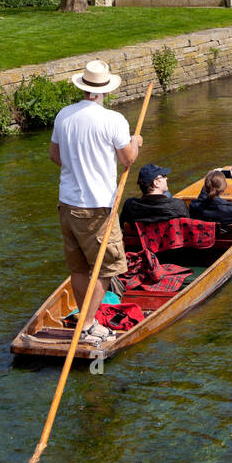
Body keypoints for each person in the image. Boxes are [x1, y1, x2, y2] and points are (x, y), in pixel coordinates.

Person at [49, 59, 143, 345]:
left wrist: (78, 164)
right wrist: (136, 141)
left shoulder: (64, 115)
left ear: (84, 87)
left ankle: (85, 320)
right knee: (108, 267)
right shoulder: (113, 120)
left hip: (66, 205)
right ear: (105, 91)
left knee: (78, 268)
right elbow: (127, 159)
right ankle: (88, 324)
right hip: (97, 207)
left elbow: (55, 156)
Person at [189, 167, 232, 235]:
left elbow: (202, 198)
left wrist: (211, 177)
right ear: (224, 188)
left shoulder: (194, 206)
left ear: (206, 185)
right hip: (227, 241)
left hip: (203, 239)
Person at [121, 164, 189, 226]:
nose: (166, 178)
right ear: (156, 183)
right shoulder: (178, 205)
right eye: (164, 176)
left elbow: (122, 225)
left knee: (167, 194)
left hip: (143, 239)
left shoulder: (130, 206)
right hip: (169, 239)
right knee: (168, 194)